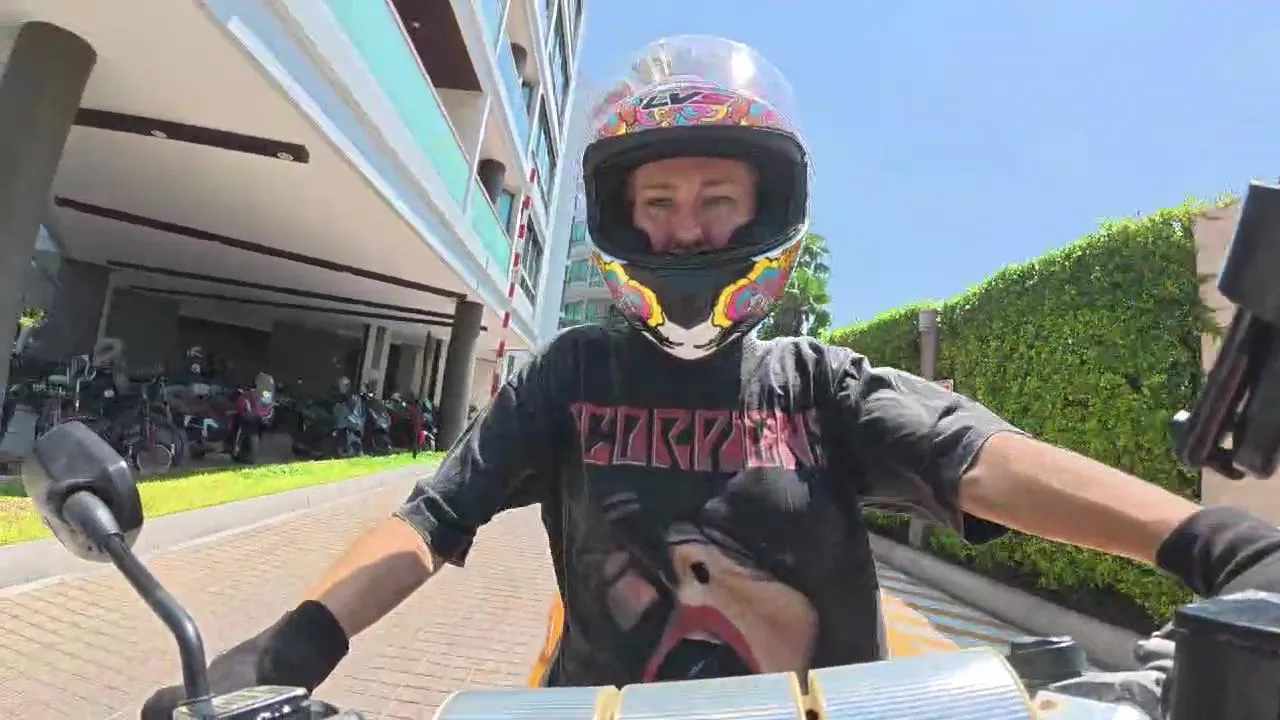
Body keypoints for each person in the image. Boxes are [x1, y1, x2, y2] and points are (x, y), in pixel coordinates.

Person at [142, 35, 1280, 715]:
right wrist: (292, 646)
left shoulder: (817, 383)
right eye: (659, 201)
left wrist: (1212, 542)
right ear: (620, 216)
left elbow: (983, 461)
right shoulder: (569, 374)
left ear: (764, 210)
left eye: (717, 200)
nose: (686, 230)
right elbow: (431, 520)